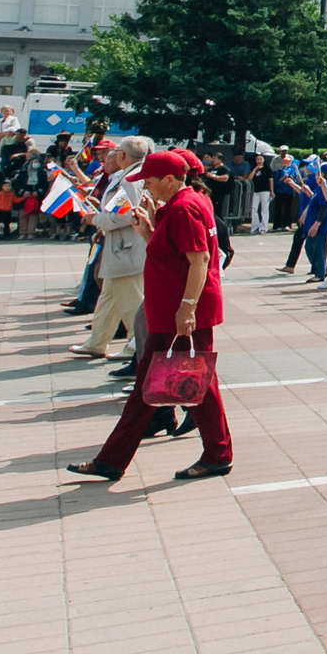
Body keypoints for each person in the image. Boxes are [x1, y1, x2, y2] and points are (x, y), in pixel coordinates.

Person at [67, 149, 232, 482]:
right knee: (170, 385)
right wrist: (148, 230)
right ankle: (115, 459)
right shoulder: (184, 203)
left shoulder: (184, 207)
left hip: (179, 313)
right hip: (172, 311)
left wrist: (187, 307)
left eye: (150, 181)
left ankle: (215, 454)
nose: (146, 187)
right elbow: (172, 253)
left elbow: (199, 259)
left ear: (169, 179)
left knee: (184, 384)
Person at [73, 137, 153, 359]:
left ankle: (136, 346)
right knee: (109, 298)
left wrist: (97, 219)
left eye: (117, 151)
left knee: (131, 300)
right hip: (121, 246)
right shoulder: (131, 175)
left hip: (126, 248)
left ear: (123, 155)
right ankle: (97, 342)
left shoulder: (130, 179)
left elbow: (126, 215)